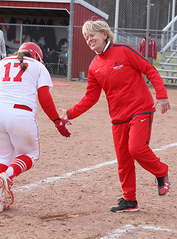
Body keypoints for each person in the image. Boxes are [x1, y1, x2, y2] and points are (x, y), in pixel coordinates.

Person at [60, 20, 170, 213]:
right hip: (118, 118)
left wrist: (161, 95)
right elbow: (90, 97)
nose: (89, 39)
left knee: (136, 148)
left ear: (104, 34)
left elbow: (149, 70)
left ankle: (162, 171)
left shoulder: (124, 50)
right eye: (86, 37)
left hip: (140, 109)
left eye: (92, 35)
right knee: (123, 160)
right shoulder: (94, 66)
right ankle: (129, 201)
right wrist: (70, 113)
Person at [0, 42, 71, 213]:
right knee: (30, 154)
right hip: (21, 113)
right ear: (37, 56)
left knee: (1, 155)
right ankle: (7, 175)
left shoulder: (2, 62)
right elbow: (44, 98)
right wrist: (57, 121)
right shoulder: (38, 66)